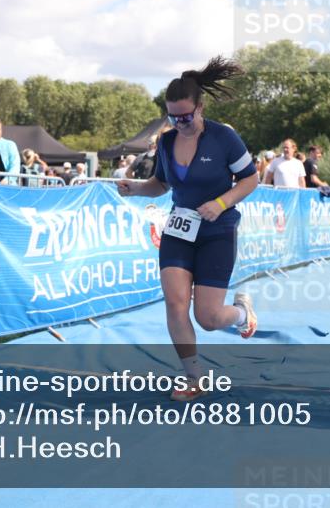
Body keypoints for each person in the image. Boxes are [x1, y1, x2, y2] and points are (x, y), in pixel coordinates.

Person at [116, 56, 259, 401]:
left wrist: (222, 203)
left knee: (208, 317)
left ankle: (242, 314)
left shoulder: (224, 137)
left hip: (217, 232)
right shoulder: (165, 142)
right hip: (179, 231)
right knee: (176, 304)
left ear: (200, 108)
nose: (180, 123)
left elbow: (250, 179)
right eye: (172, 117)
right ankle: (194, 377)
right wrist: (135, 188)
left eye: (186, 116)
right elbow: (161, 185)